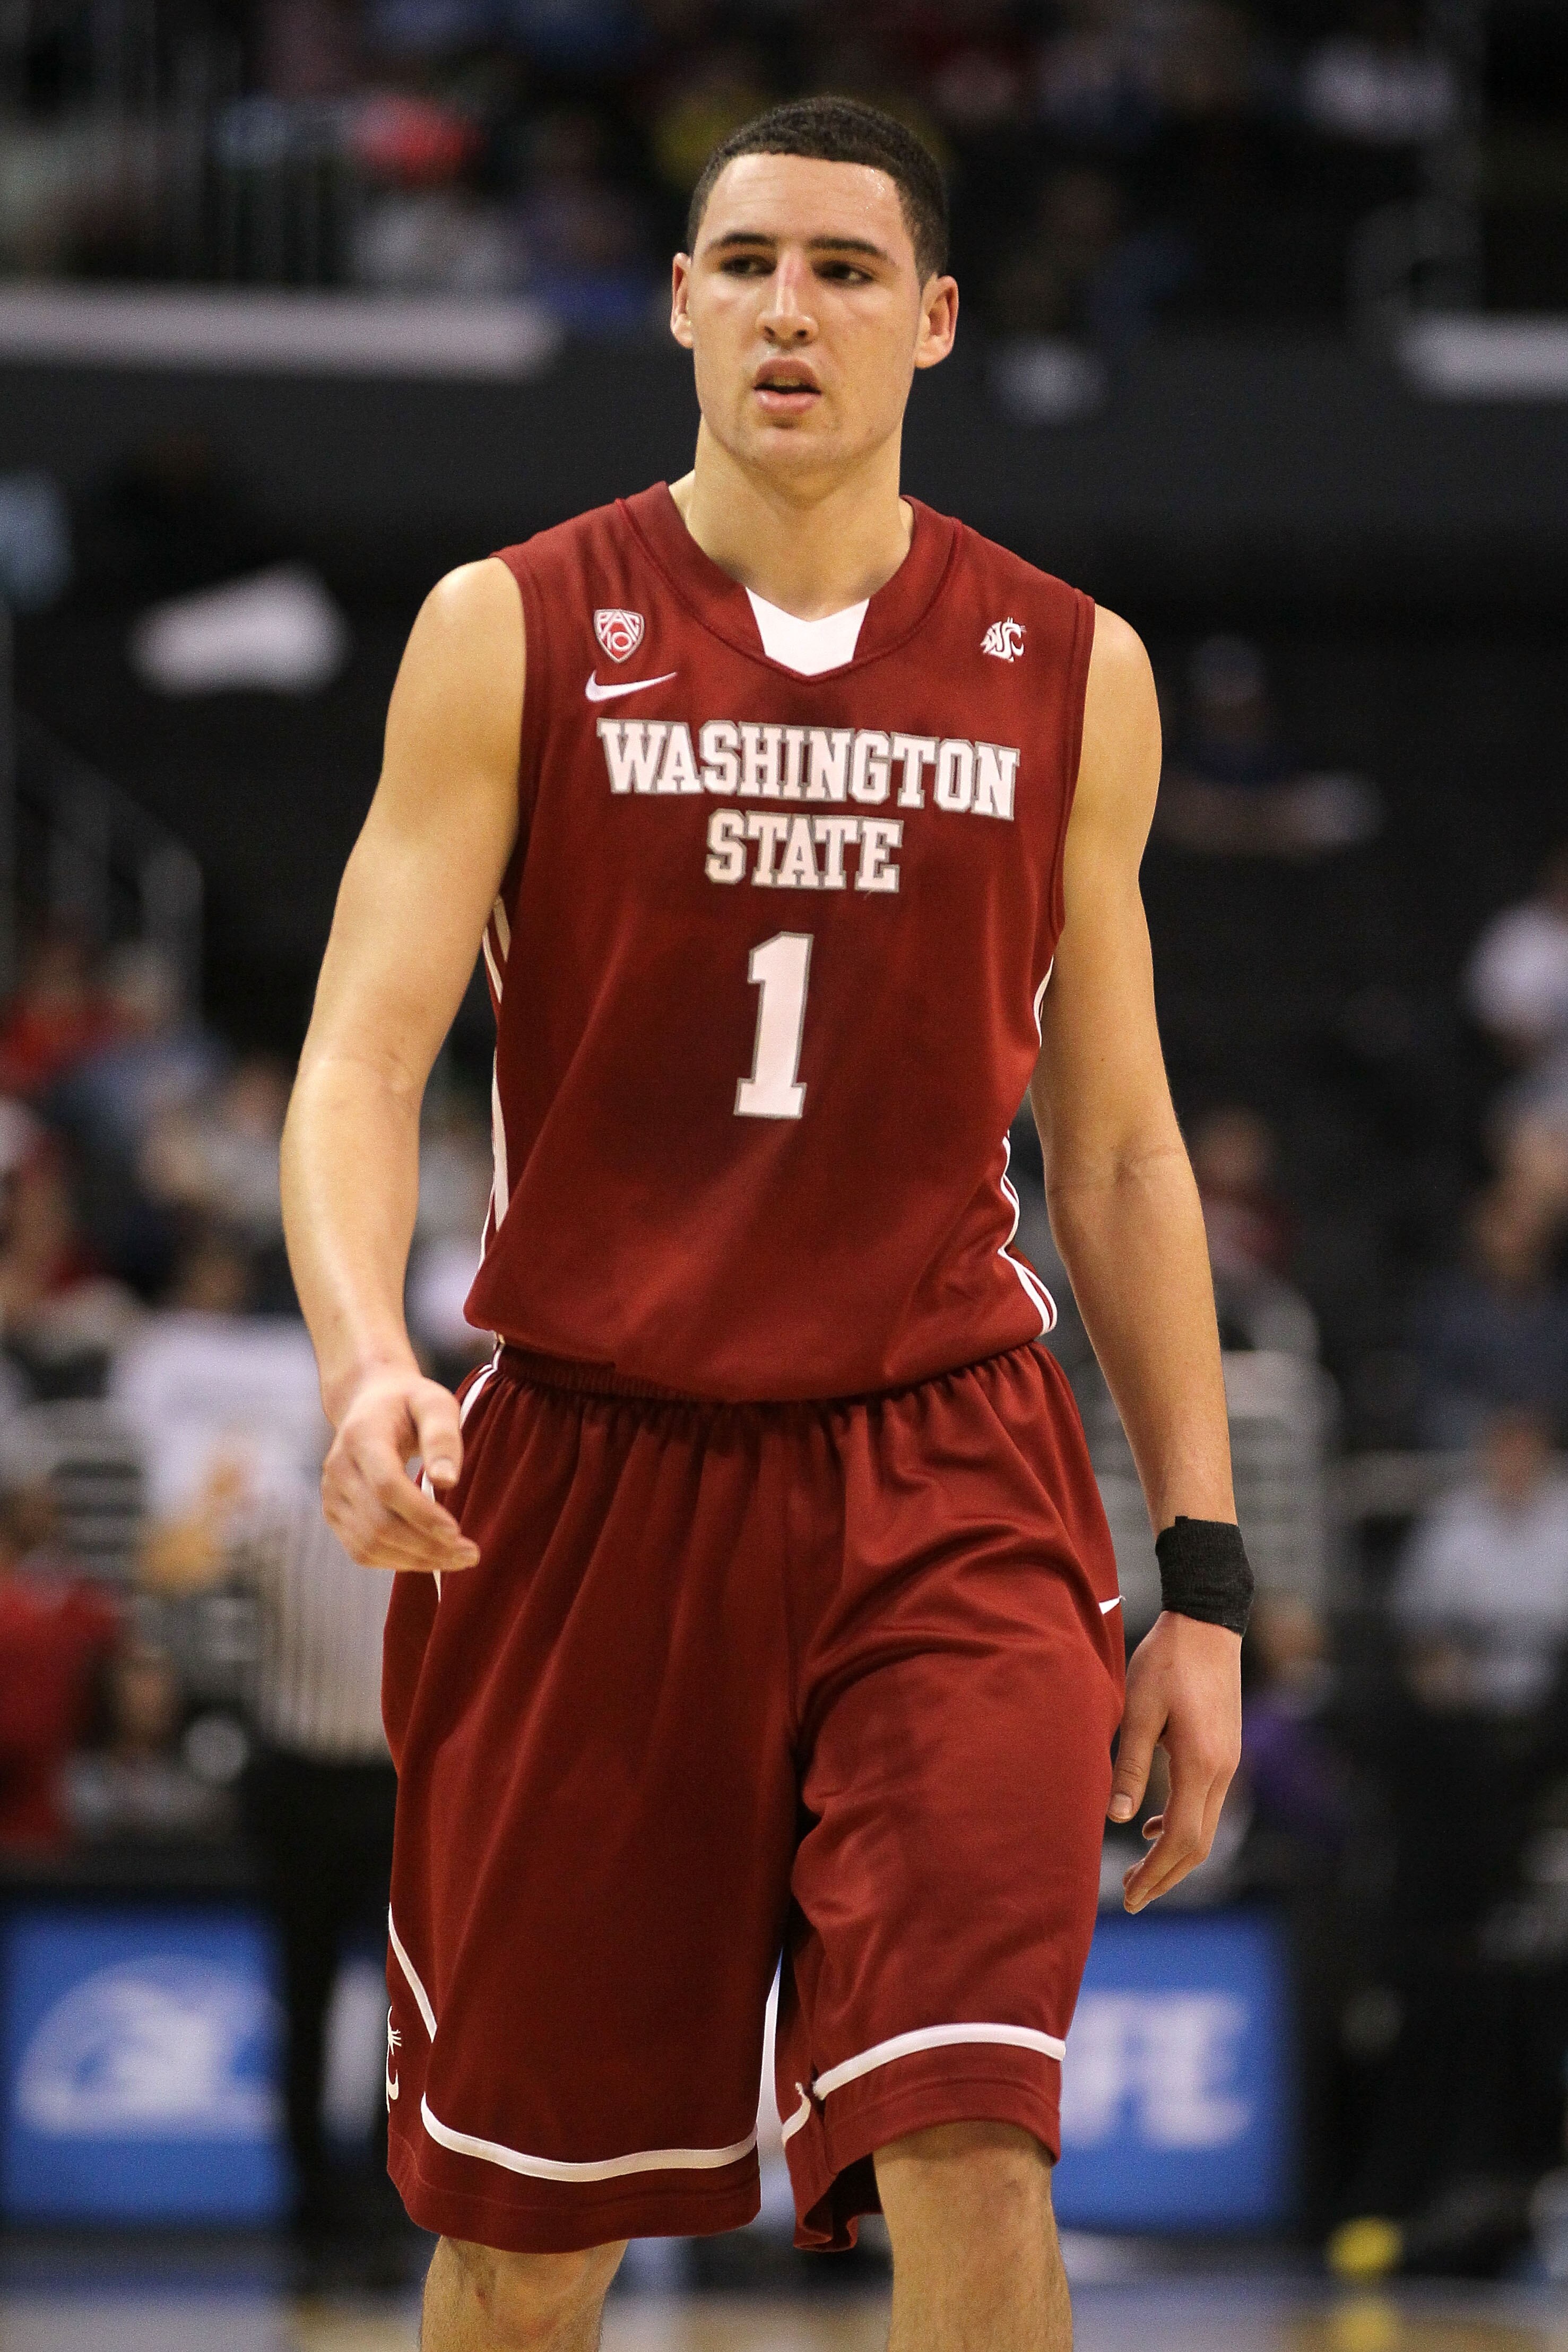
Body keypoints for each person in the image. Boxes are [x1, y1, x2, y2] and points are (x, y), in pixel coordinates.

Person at [281, 96, 1251, 2352]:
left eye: (836, 268)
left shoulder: (1062, 667)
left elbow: (1115, 1150)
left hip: (944, 1468)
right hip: (598, 1474)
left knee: (977, 2150)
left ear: (928, 320)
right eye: (740, 264)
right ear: (680, 306)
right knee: (525, 2253)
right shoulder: (511, 627)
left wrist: (1196, 1574)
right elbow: (356, 1055)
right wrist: (361, 1363)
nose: (783, 308)